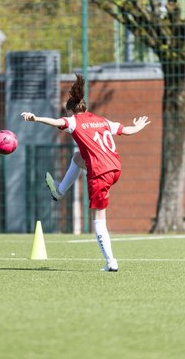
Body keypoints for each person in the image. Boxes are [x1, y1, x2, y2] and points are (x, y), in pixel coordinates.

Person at [21, 74, 150, 272]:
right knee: (77, 157)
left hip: (99, 173)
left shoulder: (73, 122)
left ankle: (111, 262)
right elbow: (127, 130)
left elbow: (56, 122)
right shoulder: (101, 120)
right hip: (115, 168)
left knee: (99, 219)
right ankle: (60, 191)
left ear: (71, 111)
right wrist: (139, 126)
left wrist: (35, 118)